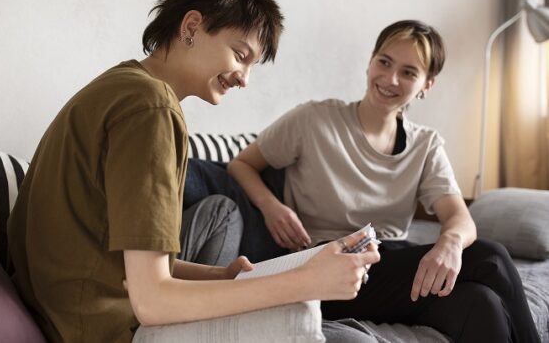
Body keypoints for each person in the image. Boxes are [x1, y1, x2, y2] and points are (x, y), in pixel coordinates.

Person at [7, 0, 380, 343]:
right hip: (104, 331)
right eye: (240, 55)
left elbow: (123, 262)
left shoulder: (123, 86)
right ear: (191, 27)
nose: (244, 79)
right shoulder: (151, 108)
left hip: (72, 316)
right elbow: (153, 301)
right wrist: (306, 282)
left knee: (341, 331)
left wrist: (220, 276)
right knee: (353, 340)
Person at [228, 20, 541, 343]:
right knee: (490, 257)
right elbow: (242, 164)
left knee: (482, 304)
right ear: (370, 61)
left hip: (390, 270)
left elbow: (460, 219)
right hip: (327, 268)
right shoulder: (314, 120)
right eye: (385, 62)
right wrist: (271, 206)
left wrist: (449, 243)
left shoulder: (426, 145)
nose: (390, 79)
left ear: (426, 85)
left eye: (408, 72)